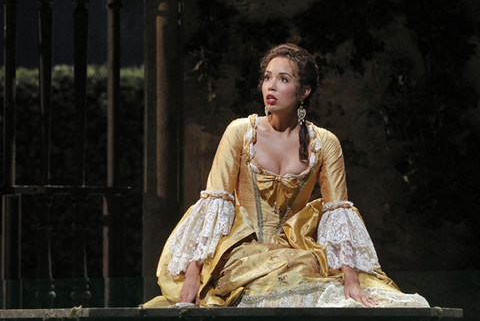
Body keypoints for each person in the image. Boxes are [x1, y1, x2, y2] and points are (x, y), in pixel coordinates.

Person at [144, 43, 429, 308]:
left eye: (283, 79)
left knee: (318, 275)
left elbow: (338, 214)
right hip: (242, 251)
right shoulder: (241, 132)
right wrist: (194, 273)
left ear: (303, 92)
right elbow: (215, 203)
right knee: (285, 274)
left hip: (296, 251)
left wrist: (351, 281)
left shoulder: (325, 143)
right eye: (267, 77)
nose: (271, 86)